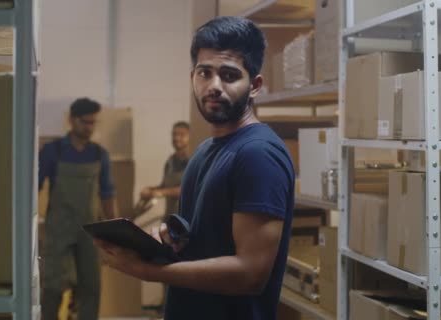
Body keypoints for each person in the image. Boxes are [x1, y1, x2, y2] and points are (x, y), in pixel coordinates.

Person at [94, 16, 295, 320]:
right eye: (205, 73)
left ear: (254, 86)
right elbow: (205, 239)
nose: (214, 86)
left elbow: (251, 274)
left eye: (229, 75)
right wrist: (170, 242)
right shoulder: (203, 152)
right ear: (193, 77)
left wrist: (150, 271)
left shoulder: (258, 154)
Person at [39, 97, 116, 320]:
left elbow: (107, 194)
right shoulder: (53, 151)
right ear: (71, 120)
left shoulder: (99, 155)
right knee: (53, 286)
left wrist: (115, 231)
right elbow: (33, 186)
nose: (89, 127)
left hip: (89, 231)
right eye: (85, 122)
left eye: (93, 123)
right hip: (59, 229)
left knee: (91, 286)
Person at [137, 121, 191, 218]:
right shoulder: (170, 161)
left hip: (186, 220)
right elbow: (164, 186)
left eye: (182, 135)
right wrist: (150, 190)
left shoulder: (193, 161)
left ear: (190, 137)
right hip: (170, 217)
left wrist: (160, 193)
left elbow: (187, 190)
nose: (177, 138)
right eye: (174, 134)